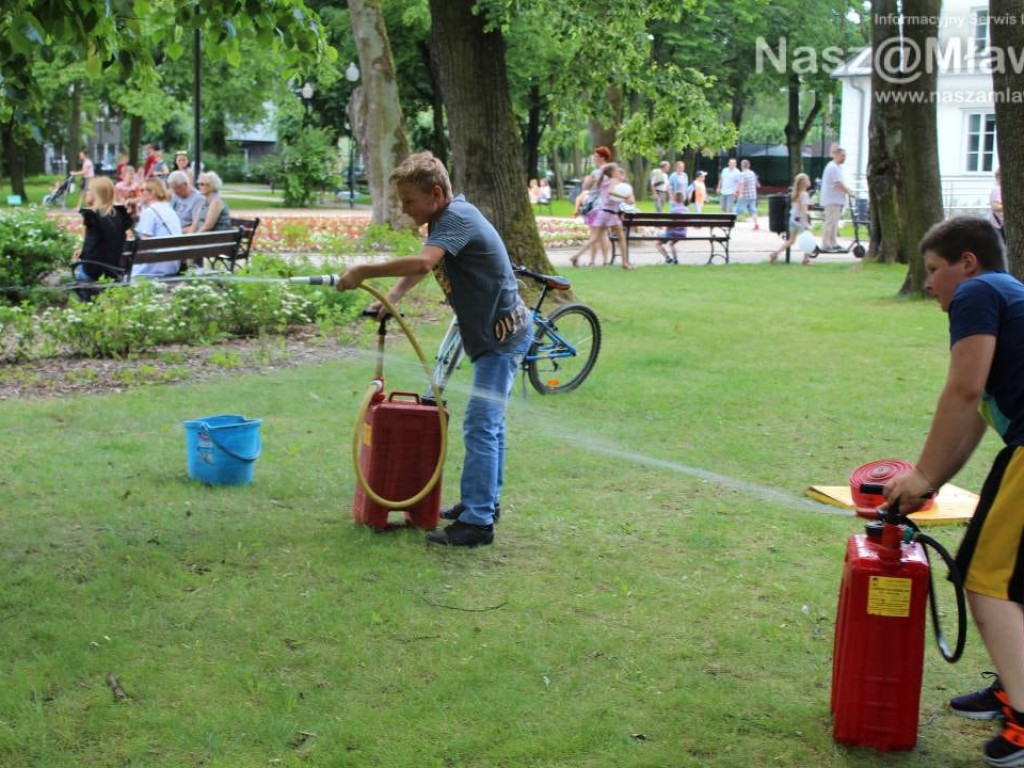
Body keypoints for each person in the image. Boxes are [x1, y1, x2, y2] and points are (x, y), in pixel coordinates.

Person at [881, 216, 1024, 768]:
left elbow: (964, 392)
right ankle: (1014, 687)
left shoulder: (980, 292)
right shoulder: (1007, 296)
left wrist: (920, 475)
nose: (927, 283)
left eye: (935, 270)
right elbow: (974, 421)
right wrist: (929, 481)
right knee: (1013, 581)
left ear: (967, 262)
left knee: (986, 580)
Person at [335, 152, 532, 548]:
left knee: (481, 424)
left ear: (436, 193)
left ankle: (478, 524)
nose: (405, 210)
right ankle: (483, 504)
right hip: (493, 336)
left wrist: (362, 272)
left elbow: (424, 265)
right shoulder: (447, 218)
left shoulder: (455, 218)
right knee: (488, 425)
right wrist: (390, 296)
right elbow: (426, 266)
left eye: (409, 201)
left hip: (501, 339)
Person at [71, 176, 133, 287]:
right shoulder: (119, 214)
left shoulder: (92, 217)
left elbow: (89, 248)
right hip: (114, 269)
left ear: (96, 194)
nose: (87, 193)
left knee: (76, 267)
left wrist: (80, 253)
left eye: (89, 190)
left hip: (94, 270)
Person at [572, 163, 634, 270]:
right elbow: (611, 193)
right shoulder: (614, 181)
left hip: (602, 212)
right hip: (611, 213)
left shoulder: (604, 181)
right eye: (617, 170)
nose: (619, 172)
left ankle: (576, 256)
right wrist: (624, 197)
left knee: (594, 238)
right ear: (613, 172)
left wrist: (625, 198)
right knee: (622, 238)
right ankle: (624, 262)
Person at [570, 146, 613, 267]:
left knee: (595, 234)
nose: (594, 158)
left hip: (594, 206)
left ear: (602, 157)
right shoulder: (611, 171)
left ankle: (593, 260)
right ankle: (604, 260)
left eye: (595, 156)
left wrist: (588, 181)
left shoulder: (597, 172)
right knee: (602, 235)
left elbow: (585, 188)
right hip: (604, 206)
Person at [132, 179, 184, 278]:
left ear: (152, 193)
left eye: (142, 190)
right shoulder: (169, 209)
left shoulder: (150, 212)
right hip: (172, 265)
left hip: (153, 268)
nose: (140, 193)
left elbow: (144, 245)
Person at [769, 173, 813, 265]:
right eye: (808, 179)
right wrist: (806, 223)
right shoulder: (804, 194)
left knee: (791, 240)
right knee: (809, 237)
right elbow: (804, 210)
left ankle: (776, 253)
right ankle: (806, 259)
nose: (810, 181)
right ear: (803, 183)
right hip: (801, 220)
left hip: (793, 219)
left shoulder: (795, 194)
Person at [820, 145, 854, 252]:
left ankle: (833, 243)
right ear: (836, 155)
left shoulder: (837, 167)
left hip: (836, 200)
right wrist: (849, 192)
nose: (844, 158)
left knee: (834, 223)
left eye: (845, 156)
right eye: (842, 156)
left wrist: (849, 190)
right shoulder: (832, 167)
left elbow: (841, 183)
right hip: (831, 199)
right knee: (830, 222)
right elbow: (838, 184)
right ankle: (826, 244)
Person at [656, 191, 688, 264]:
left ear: (674, 199)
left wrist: (665, 231)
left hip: (672, 233)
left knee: (657, 243)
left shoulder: (673, 210)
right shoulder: (686, 210)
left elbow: (669, 224)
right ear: (683, 199)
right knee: (671, 244)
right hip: (682, 233)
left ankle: (668, 259)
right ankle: (675, 260)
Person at [989, 168, 1004, 241]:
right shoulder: (997, 190)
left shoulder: (1000, 189)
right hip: (998, 225)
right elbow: (995, 207)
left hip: (1000, 224)